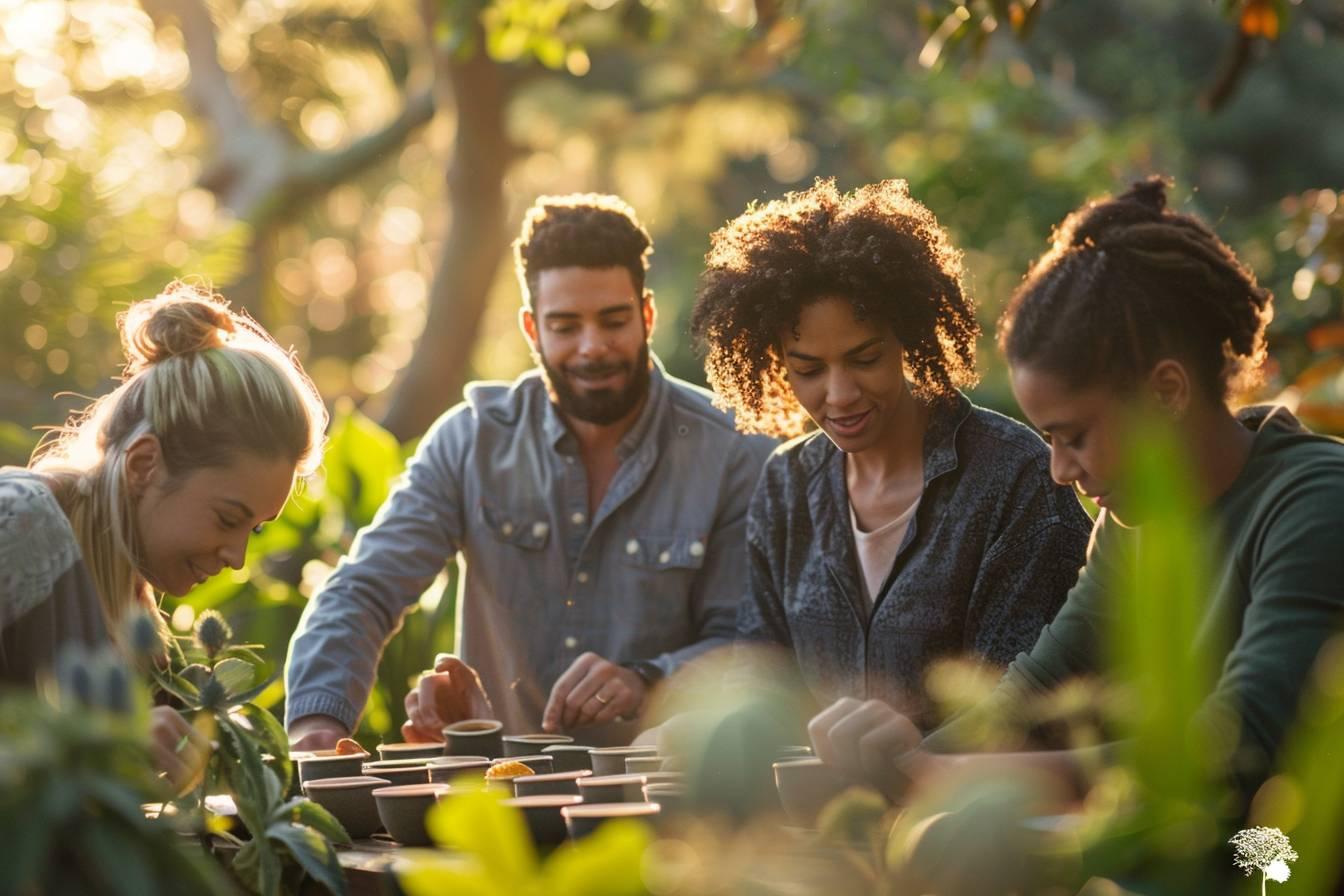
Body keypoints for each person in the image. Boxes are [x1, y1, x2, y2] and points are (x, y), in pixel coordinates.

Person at [808, 177, 1344, 809]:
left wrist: (957, 780)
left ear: (1167, 391)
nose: (1059, 470)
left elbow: (1234, 748)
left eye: (1076, 436)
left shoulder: (1314, 505)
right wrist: (915, 759)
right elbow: (1035, 695)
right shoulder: (1131, 525)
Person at [285, 193, 775, 749]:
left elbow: (753, 644)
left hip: (672, 800)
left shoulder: (735, 450)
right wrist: (317, 726)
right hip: (499, 800)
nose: (592, 347)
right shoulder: (470, 441)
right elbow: (364, 589)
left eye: (613, 321)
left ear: (646, 314)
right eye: (565, 326)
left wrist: (647, 679)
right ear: (531, 329)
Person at [689, 178, 1092, 729]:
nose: (840, 394)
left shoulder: (1013, 478)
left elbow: (1029, 702)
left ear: (908, 335)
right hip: (817, 811)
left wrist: (914, 755)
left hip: (968, 806)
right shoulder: (786, 485)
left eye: (865, 358)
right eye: (808, 369)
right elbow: (758, 674)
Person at [1, 282, 328, 792]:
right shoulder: (19, 521)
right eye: (227, 518)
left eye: (255, 528)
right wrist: (101, 740)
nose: (237, 558)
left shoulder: (133, 612)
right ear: (144, 464)